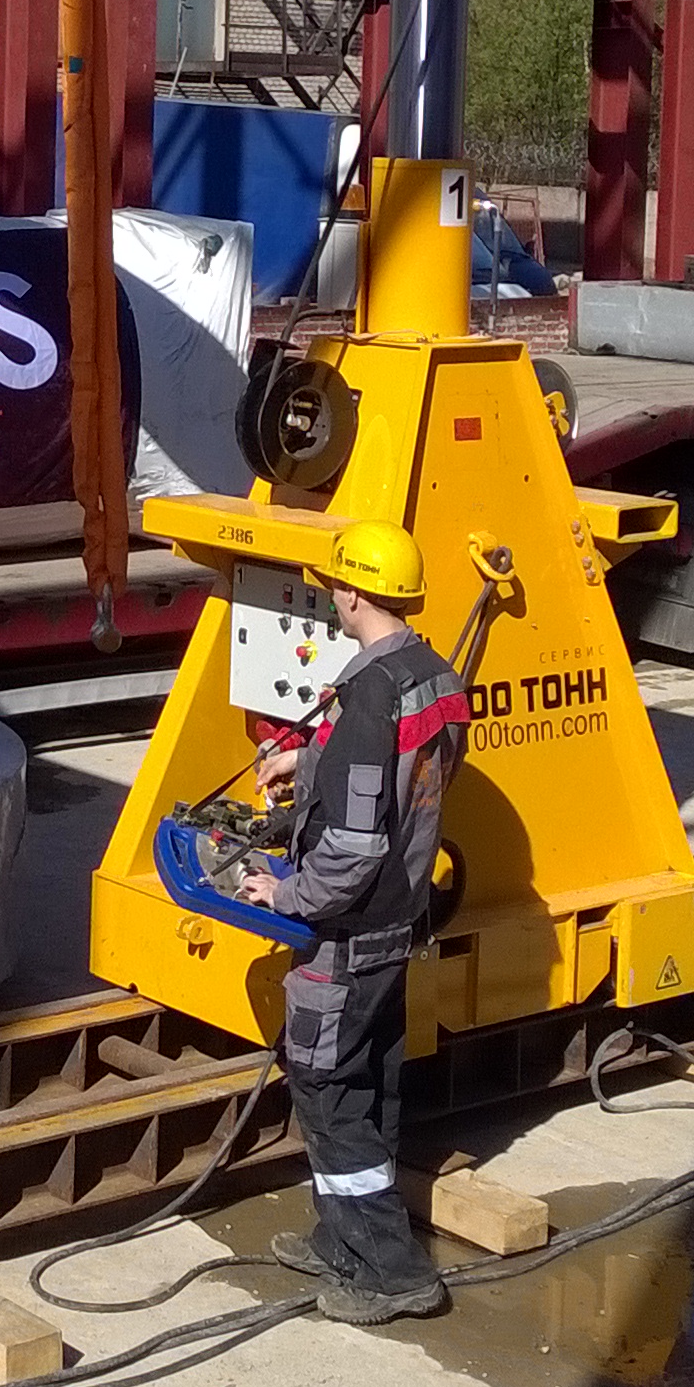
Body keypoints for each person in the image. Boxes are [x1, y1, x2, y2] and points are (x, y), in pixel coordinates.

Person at [232, 519, 468, 1326]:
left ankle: (392, 1272)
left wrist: (284, 895)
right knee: (370, 1076)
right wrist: (309, 760)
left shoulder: (369, 697)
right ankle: (344, 1241)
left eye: (334, 584)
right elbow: (404, 774)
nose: (330, 595)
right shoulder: (433, 673)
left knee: (327, 1089)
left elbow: (355, 846)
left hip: (348, 932)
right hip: (401, 917)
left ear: (353, 592)